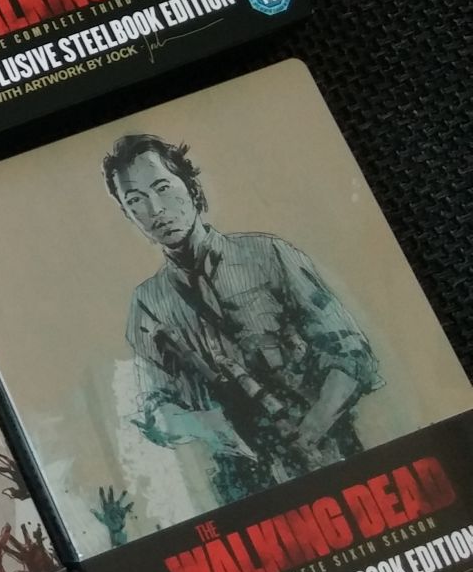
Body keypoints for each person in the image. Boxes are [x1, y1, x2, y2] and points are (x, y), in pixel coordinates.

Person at [104, 134, 382, 503]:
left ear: (191, 188)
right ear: (128, 215)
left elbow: (352, 351)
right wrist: (218, 428)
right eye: (135, 201)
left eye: (162, 188)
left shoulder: (268, 254)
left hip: (333, 453)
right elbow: (153, 410)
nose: (155, 210)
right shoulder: (147, 303)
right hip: (243, 484)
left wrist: (311, 428)